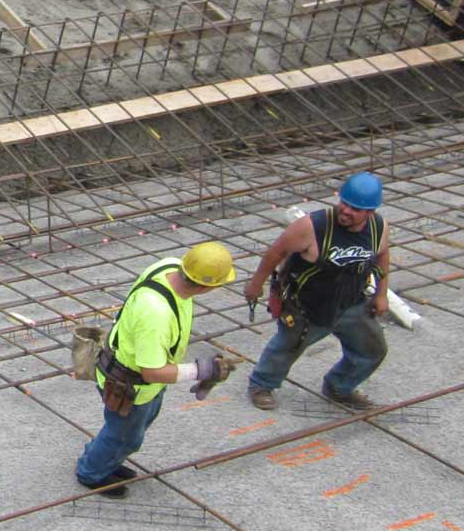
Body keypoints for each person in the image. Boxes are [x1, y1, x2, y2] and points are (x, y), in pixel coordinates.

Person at [76, 242, 238, 499]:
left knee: (132, 428)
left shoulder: (169, 266)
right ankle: (91, 472)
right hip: (130, 384)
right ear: (207, 286)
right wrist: (199, 370)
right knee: (123, 434)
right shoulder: (156, 314)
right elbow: (152, 372)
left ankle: (107, 461)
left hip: (138, 378)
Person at [242, 172, 392, 411]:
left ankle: (338, 387)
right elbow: (276, 252)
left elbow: (381, 256)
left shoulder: (378, 228)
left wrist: (381, 293)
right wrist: (255, 284)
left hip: (351, 303)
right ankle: (261, 384)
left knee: (372, 350)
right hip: (307, 307)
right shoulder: (313, 226)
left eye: (355, 208)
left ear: (369, 212)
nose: (346, 210)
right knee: (286, 347)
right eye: (344, 202)